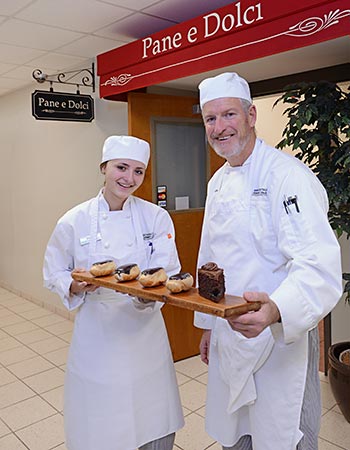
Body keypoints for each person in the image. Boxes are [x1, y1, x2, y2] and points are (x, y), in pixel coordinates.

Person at [194, 72, 343, 450]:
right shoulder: (217, 183)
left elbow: (317, 263)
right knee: (237, 433)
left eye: (229, 115)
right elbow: (208, 257)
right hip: (231, 332)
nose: (220, 127)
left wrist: (276, 309)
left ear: (251, 115)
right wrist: (208, 325)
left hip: (279, 336)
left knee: (284, 433)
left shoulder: (288, 176)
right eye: (210, 119)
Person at [43, 135, 184, 450]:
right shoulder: (74, 220)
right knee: (101, 419)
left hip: (145, 330)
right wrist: (75, 284)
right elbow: (53, 271)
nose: (129, 178)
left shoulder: (156, 217)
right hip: (98, 331)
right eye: (122, 167)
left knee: (152, 413)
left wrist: (149, 295)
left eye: (138, 171)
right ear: (104, 167)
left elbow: (169, 270)